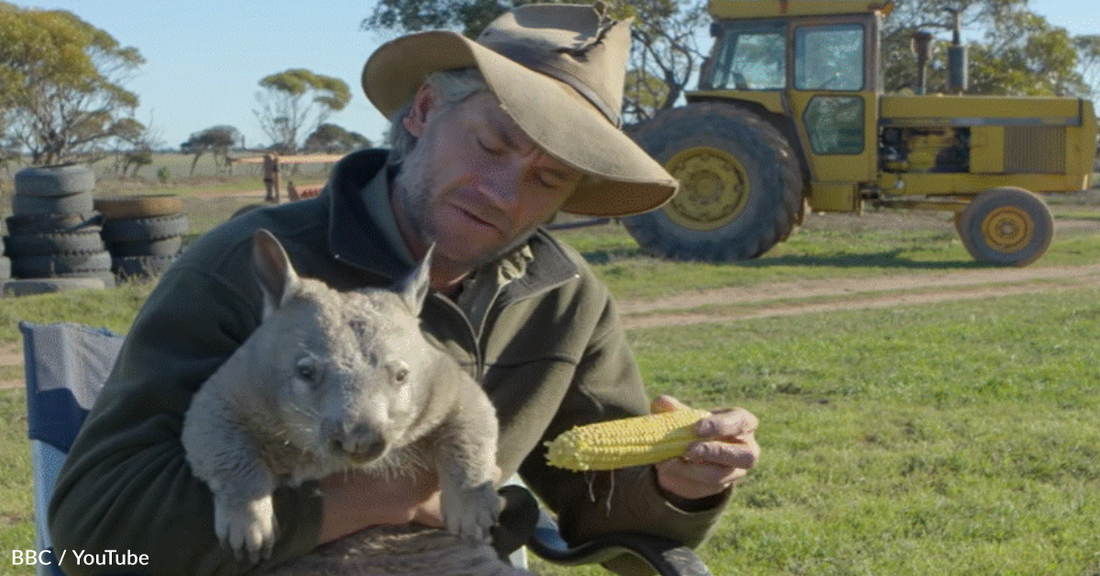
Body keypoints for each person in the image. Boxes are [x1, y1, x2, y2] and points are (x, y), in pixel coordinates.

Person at [49, 4, 759, 575]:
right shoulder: (248, 270)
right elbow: (94, 536)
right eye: (491, 144)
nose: (503, 194)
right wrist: (374, 495)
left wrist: (678, 485)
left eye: (548, 179)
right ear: (423, 111)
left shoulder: (563, 299)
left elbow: (600, 508)